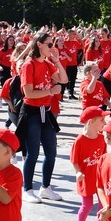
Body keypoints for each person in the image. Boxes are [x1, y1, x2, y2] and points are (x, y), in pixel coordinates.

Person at [17, 31, 67, 203]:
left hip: (46, 111)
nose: (52, 47)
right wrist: (51, 91)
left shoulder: (46, 64)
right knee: (32, 153)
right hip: (31, 111)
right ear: (39, 44)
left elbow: (64, 79)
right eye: (50, 44)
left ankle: (46, 187)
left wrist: (57, 60)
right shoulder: (28, 65)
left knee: (51, 152)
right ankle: (28, 189)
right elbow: (29, 93)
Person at [71, 107, 108, 221]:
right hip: (85, 178)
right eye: (102, 120)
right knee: (87, 205)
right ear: (91, 122)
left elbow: (104, 157)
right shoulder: (80, 140)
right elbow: (74, 160)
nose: (105, 123)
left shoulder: (101, 138)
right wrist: (78, 172)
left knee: (102, 203)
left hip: (99, 177)